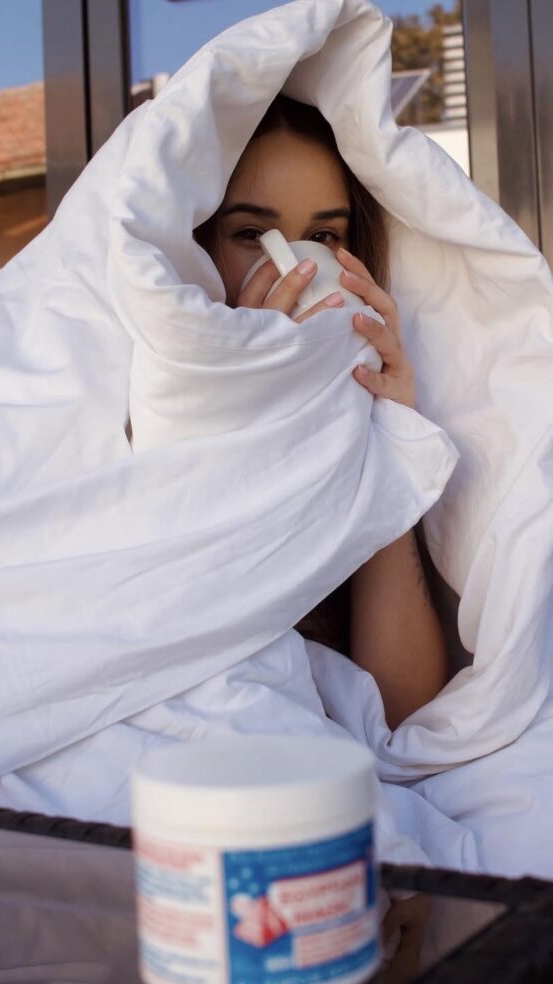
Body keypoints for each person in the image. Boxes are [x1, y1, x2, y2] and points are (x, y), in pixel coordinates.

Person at [194, 94, 450, 729]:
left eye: (324, 238)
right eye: (252, 234)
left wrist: (384, 439)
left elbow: (401, 712)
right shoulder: (132, 409)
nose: (301, 269)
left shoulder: (356, 408)